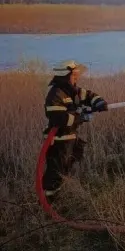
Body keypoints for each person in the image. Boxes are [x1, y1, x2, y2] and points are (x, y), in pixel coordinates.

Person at [41, 60, 108, 199]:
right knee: (56, 170)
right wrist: (81, 117)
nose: (77, 77)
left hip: (70, 137)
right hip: (58, 140)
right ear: (65, 76)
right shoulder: (55, 94)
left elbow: (88, 95)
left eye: (77, 74)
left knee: (71, 161)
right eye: (74, 74)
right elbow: (59, 119)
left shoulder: (73, 90)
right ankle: (49, 200)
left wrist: (99, 102)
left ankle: (62, 189)